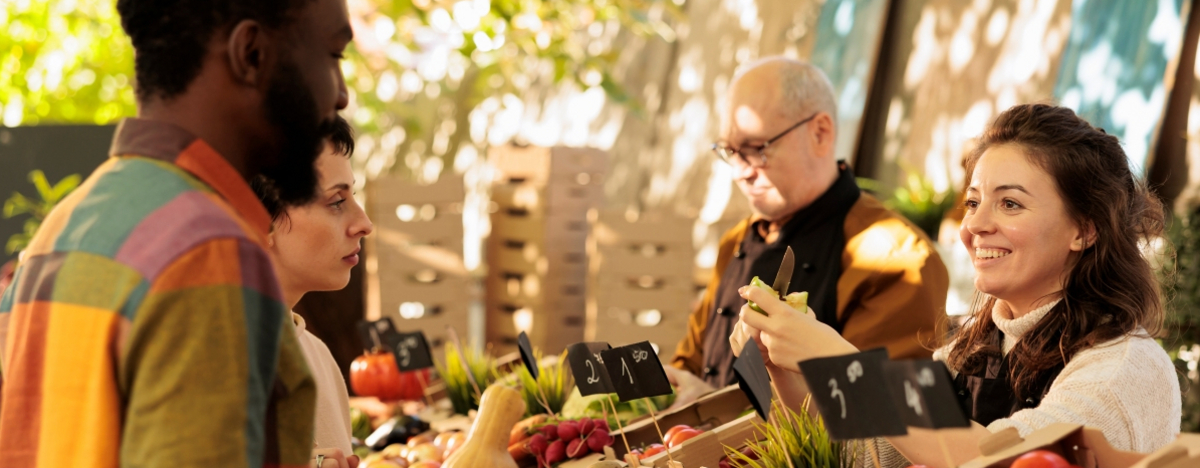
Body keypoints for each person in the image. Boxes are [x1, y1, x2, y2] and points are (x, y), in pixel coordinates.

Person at [0, 0, 353, 467]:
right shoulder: (209, 253)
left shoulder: (63, 227)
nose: (342, 94)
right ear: (251, 53)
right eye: (333, 56)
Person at [732, 103, 1181, 465]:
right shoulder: (973, 348)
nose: (975, 226)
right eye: (972, 201)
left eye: (1010, 203)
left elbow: (1007, 460)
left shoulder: (1125, 368)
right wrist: (787, 367)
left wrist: (837, 361)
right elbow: (862, 455)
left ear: (1084, 230)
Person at [668, 57, 949, 406]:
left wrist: (713, 406)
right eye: (730, 151)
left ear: (820, 133)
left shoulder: (895, 257)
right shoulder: (735, 241)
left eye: (756, 149)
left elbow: (875, 417)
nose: (741, 171)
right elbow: (692, 365)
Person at [253, 116, 371, 467]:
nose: (364, 223)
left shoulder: (317, 356)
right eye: (337, 202)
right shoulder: (203, 366)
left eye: (353, 196)